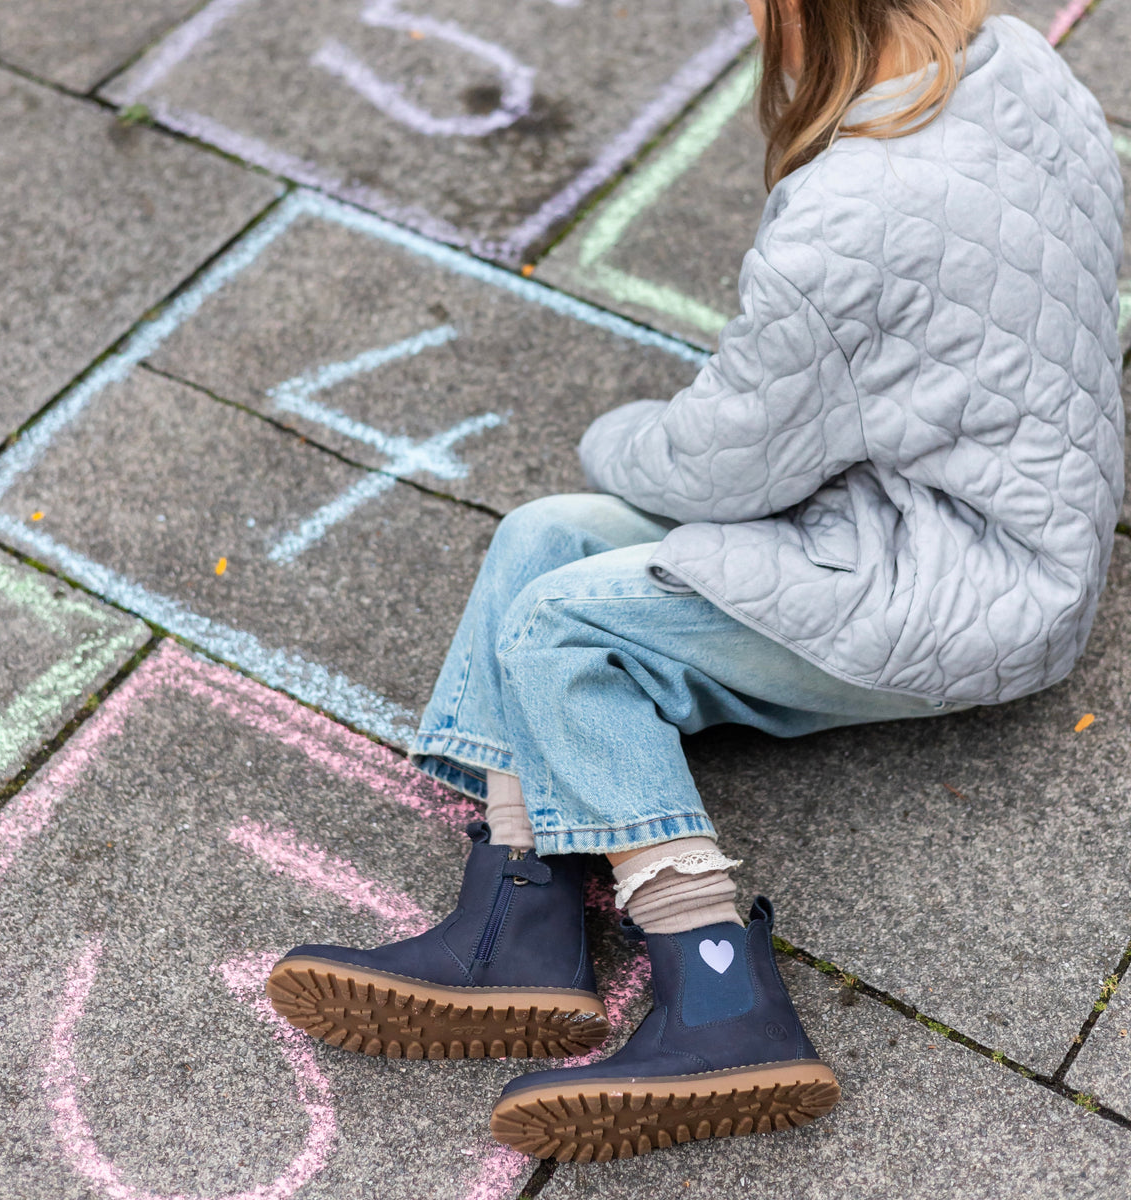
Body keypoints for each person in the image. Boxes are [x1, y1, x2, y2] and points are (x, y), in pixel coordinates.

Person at [267, 0, 1125, 1164]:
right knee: (540, 539)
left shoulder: (850, 210)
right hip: (989, 511)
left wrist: (616, 437)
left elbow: (727, 462)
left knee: (564, 630)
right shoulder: (1014, 57)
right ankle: (518, 912)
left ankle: (721, 990)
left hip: (961, 587)